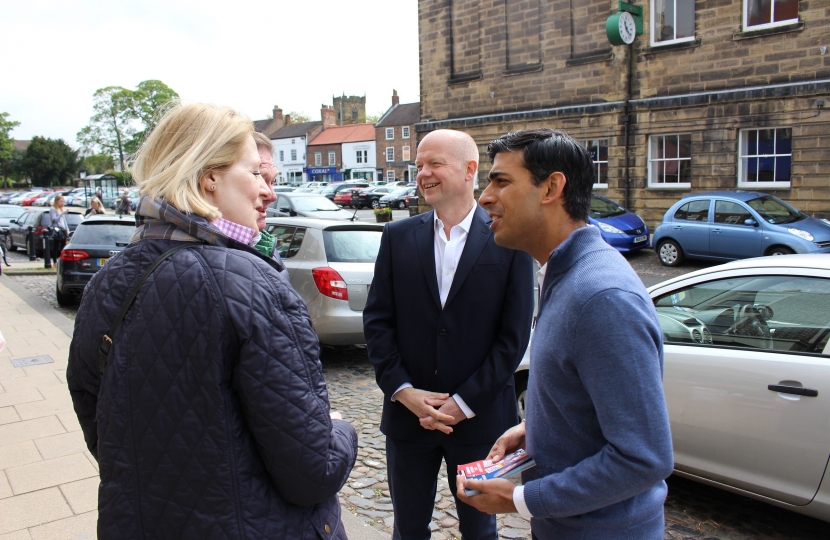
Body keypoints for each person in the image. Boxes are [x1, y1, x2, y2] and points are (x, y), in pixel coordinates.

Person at [66, 103, 357, 539]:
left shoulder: (110, 278)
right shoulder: (252, 282)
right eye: (254, 173)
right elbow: (314, 470)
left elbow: (99, 425)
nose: (269, 191)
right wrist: (340, 427)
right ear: (209, 178)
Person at [459, 128, 673, 539]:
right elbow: (584, 394)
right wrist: (535, 428)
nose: (484, 196)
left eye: (501, 181)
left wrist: (519, 500)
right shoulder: (563, 273)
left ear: (551, 187)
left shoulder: (601, 296)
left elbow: (643, 458)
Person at [363, 129, 534, 540]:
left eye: (434, 163)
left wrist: (462, 403)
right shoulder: (397, 237)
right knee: (408, 529)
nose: (423, 173)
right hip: (409, 420)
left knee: (480, 531)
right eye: (420, 165)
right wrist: (404, 391)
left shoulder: (509, 241)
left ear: (469, 169)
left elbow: (512, 339)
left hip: (481, 425)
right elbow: (378, 322)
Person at [48, 195, 69, 259]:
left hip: (62, 229)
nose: (62, 203)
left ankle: (62, 260)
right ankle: (54, 261)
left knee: (63, 245)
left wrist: (67, 229)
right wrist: (61, 213)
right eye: (61, 201)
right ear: (57, 201)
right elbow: (54, 219)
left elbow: (64, 221)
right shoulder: (53, 209)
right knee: (56, 245)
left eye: (63, 201)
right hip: (57, 229)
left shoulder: (61, 209)